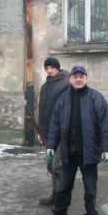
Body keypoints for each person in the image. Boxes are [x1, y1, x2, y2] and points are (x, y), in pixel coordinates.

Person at [44, 65, 108, 215]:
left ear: (86, 79)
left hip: (88, 154)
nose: (78, 79)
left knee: (90, 188)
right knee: (64, 187)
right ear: (70, 79)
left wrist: (107, 149)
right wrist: (51, 145)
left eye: (82, 76)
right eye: (75, 76)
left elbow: (106, 125)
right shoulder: (63, 99)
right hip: (69, 152)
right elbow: (55, 124)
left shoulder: (96, 98)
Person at [37, 57, 70, 206]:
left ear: (58, 68)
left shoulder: (66, 84)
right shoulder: (45, 87)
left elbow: (67, 110)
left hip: (61, 133)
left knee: (58, 166)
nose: (49, 71)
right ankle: (55, 194)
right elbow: (43, 111)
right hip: (48, 133)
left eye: (52, 68)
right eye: (47, 68)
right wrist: (42, 132)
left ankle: (60, 198)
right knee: (50, 164)